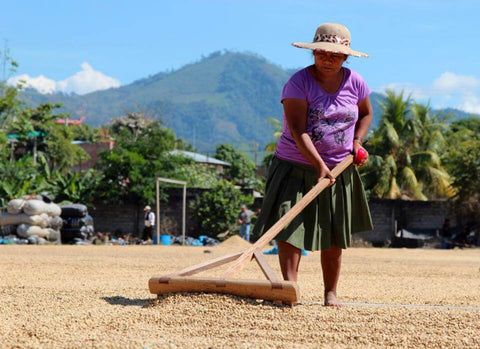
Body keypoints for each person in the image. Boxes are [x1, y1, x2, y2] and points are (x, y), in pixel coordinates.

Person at [252, 23, 373, 307]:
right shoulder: (298, 83)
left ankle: (330, 293)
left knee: (333, 233)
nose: (327, 58)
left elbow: (366, 113)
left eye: (335, 54)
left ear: (346, 57)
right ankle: (289, 289)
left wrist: (357, 142)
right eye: (322, 52)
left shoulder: (355, 81)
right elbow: (297, 129)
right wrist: (318, 165)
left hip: (339, 169)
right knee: (289, 226)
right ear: (314, 52)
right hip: (295, 165)